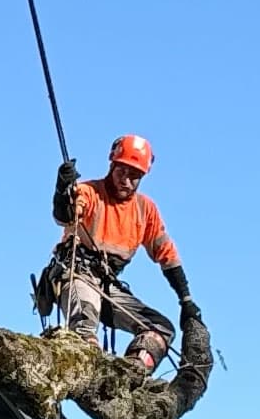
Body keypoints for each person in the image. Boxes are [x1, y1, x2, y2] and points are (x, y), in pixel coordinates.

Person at [37, 134, 194, 376]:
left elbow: (167, 255)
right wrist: (62, 189)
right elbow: (65, 216)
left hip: (108, 286)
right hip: (77, 274)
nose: (127, 181)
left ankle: (129, 375)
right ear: (112, 165)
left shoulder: (145, 210)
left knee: (161, 329)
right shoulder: (89, 192)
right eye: (122, 172)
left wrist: (186, 300)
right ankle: (87, 371)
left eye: (135, 176)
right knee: (84, 329)